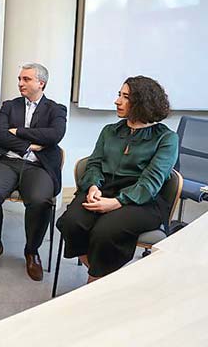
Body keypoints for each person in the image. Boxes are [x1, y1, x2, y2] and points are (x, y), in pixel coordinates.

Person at [57, 76, 178, 283]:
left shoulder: (166, 139)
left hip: (143, 200)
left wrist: (117, 202)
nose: (117, 101)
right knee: (71, 222)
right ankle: (103, 276)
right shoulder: (110, 131)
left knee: (105, 232)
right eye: (119, 95)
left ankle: (94, 281)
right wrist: (94, 185)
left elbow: (150, 183)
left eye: (125, 97)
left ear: (142, 102)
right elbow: (94, 163)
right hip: (105, 189)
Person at [0, 63, 67, 281]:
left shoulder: (56, 109)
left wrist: (19, 132)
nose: (20, 83)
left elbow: (54, 135)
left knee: (40, 200)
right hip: (6, 161)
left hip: (38, 166)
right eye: (19, 79)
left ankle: (31, 251)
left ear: (40, 83)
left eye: (26, 79)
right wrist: (28, 145)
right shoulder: (10, 105)